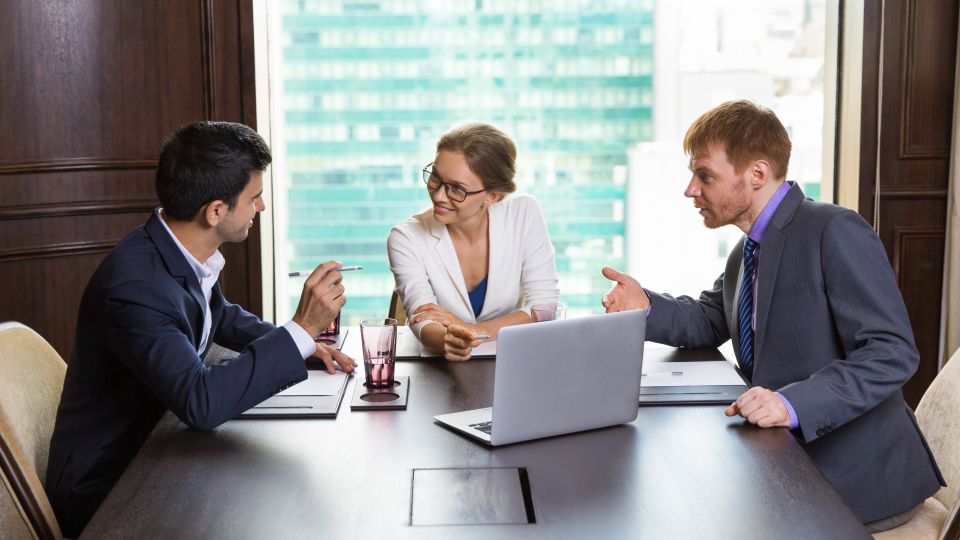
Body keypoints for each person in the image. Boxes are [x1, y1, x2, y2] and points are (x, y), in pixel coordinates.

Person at [602, 100, 943, 531]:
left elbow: (891, 353)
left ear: (757, 174)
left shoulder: (834, 230)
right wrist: (645, 305)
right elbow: (711, 318)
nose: (691, 189)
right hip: (782, 458)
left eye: (705, 175)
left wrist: (790, 402)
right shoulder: (748, 249)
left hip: (854, 478)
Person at [45, 121, 357, 537]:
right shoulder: (135, 288)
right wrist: (301, 328)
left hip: (162, 448)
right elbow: (201, 402)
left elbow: (219, 316)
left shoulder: (176, 247)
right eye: (255, 198)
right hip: (112, 489)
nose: (260, 208)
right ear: (215, 211)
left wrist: (301, 345)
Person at [387, 122, 560, 361]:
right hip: (440, 369)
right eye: (435, 178)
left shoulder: (523, 213)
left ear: (492, 196)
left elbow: (544, 308)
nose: (438, 196)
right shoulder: (406, 237)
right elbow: (422, 317)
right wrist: (446, 339)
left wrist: (475, 332)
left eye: (457, 189)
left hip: (513, 362)